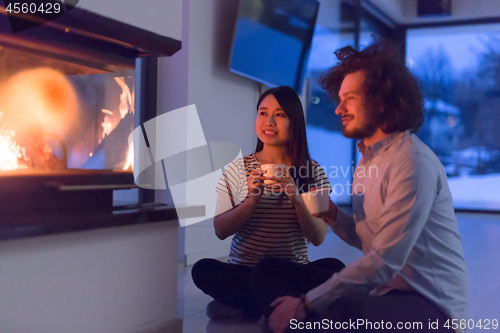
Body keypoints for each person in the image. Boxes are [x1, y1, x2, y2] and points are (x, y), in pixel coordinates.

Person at [251, 40, 469, 332]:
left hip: (430, 306)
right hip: (382, 291)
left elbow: (384, 261)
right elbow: (369, 241)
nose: (339, 108)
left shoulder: (412, 162)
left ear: (383, 100)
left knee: (340, 307)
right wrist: (332, 215)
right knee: (269, 270)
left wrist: (305, 303)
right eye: (340, 98)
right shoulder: (368, 158)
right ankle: (288, 320)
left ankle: (286, 319)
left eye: (350, 98)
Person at [191, 86, 345, 320]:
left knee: (335, 267)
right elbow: (220, 230)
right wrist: (251, 200)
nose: (269, 121)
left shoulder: (313, 172)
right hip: (244, 270)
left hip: (289, 270)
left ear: (294, 122)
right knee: (202, 269)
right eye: (263, 113)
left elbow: (318, 237)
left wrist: (296, 197)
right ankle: (287, 305)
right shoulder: (237, 168)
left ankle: (250, 307)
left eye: (280, 114)